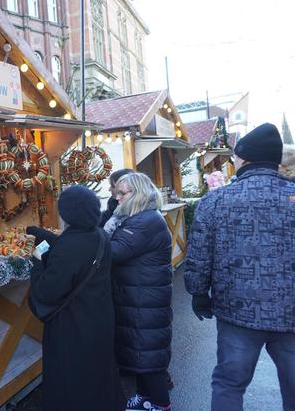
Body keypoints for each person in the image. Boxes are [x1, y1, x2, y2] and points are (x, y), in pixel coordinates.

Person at [185, 123, 295, 411]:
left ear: (244, 159)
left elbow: (199, 254)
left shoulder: (216, 201)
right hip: (291, 313)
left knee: (229, 385)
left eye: (234, 157)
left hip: (237, 314)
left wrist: (198, 293)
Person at [27, 185, 123, 411]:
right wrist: (46, 236)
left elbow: (46, 291)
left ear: (67, 212)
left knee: (72, 382)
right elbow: (76, 253)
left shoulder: (70, 245)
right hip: (99, 319)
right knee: (99, 375)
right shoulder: (99, 235)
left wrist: (37, 262)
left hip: (73, 327)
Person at [106, 172, 173, 411]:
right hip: (139, 295)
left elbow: (113, 253)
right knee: (140, 352)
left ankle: (160, 403)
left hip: (145, 298)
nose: (117, 198)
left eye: (122, 193)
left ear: (139, 193)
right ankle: (144, 396)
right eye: (116, 193)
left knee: (147, 355)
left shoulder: (144, 221)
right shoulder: (139, 217)